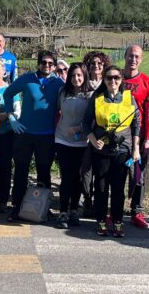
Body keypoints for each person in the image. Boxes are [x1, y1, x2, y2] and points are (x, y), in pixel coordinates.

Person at [2, 50, 64, 221]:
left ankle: (44, 206)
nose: (47, 66)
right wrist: (12, 117)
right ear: (38, 63)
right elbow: (8, 93)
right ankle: (16, 206)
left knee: (44, 173)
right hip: (25, 133)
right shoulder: (27, 79)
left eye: (51, 63)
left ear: (54, 65)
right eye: (44, 62)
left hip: (47, 135)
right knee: (21, 170)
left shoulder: (58, 83)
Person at [82, 65, 141, 238]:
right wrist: (93, 140)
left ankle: (117, 221)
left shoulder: (129, 98)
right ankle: (100, 220)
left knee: (118, 188)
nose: (113, 81)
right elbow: (85, 123)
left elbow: (137, 123)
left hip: (122, 150)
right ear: (104, 80)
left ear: (121, 80)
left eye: (116, 77)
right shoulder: (97, 98)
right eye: (109, 78)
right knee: (101, 187)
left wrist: (136, 148)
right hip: (102, 151)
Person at [122, 45, 149, 229]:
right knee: (116, 176)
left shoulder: (148, 83)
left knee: (138, 176)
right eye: (130, 56)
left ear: (141, 59)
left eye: (136, 57)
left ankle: (137, 211)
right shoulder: (114, 78)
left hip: (139, 138)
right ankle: (115, 210)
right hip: (118, 138)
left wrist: (148, 139)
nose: (132, 60)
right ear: (125, 57)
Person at [54, 62, 92, 229]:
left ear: (84, 77)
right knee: (66, 178)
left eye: (79, 75)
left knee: (77, 179)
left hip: (82, 142)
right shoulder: (63, 92)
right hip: (63, 140)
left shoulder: (91, 95)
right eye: (73, 75)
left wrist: (78, 129)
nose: (76, 79)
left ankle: (75, 210)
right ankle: (63, 212)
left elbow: (94, 121)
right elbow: (56, 111)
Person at [80, 51, 111, 216]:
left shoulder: (107, 85)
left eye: (100, 64)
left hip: (101, 135)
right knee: (85, 171)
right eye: (93, 63)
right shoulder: (82, 83)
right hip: (84, 134)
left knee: (100, 171)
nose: (96, 66)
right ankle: (87, 199)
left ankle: (100, 203)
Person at [0, 56, 20, 213]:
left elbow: (16, 111)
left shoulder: (10, 90)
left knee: (5, 167)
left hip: (6, 133)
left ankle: (2, 200)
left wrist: (0, 116)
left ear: (4, 71)